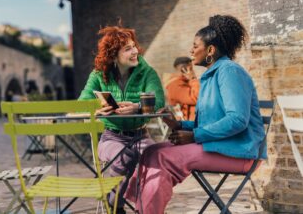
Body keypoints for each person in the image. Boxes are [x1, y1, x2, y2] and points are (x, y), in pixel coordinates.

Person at [125, 15, 266, 214]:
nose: (191, 50)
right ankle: (144, 209)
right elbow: (209, 122)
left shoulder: (229, 72)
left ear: (210, 50)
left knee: (164, 157)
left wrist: (194, 136)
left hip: (240, 152)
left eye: (195, 45)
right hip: (219, 146)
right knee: (151, 151)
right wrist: (179, 125)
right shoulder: (210, 75)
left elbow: (238, 120)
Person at [79, 25, 165, 213]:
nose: (135, 51)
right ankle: (115, 206)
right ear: (113, 55)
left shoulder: (147, 72)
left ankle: (146, 208)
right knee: (123, 155)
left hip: (141, 135)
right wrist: (100, 108)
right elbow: (83, 101)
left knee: (157, 158)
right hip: (111, 137)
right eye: (128, 49)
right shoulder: (98, 74)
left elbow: (159, 101)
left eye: (134, 46)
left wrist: (137, 107)